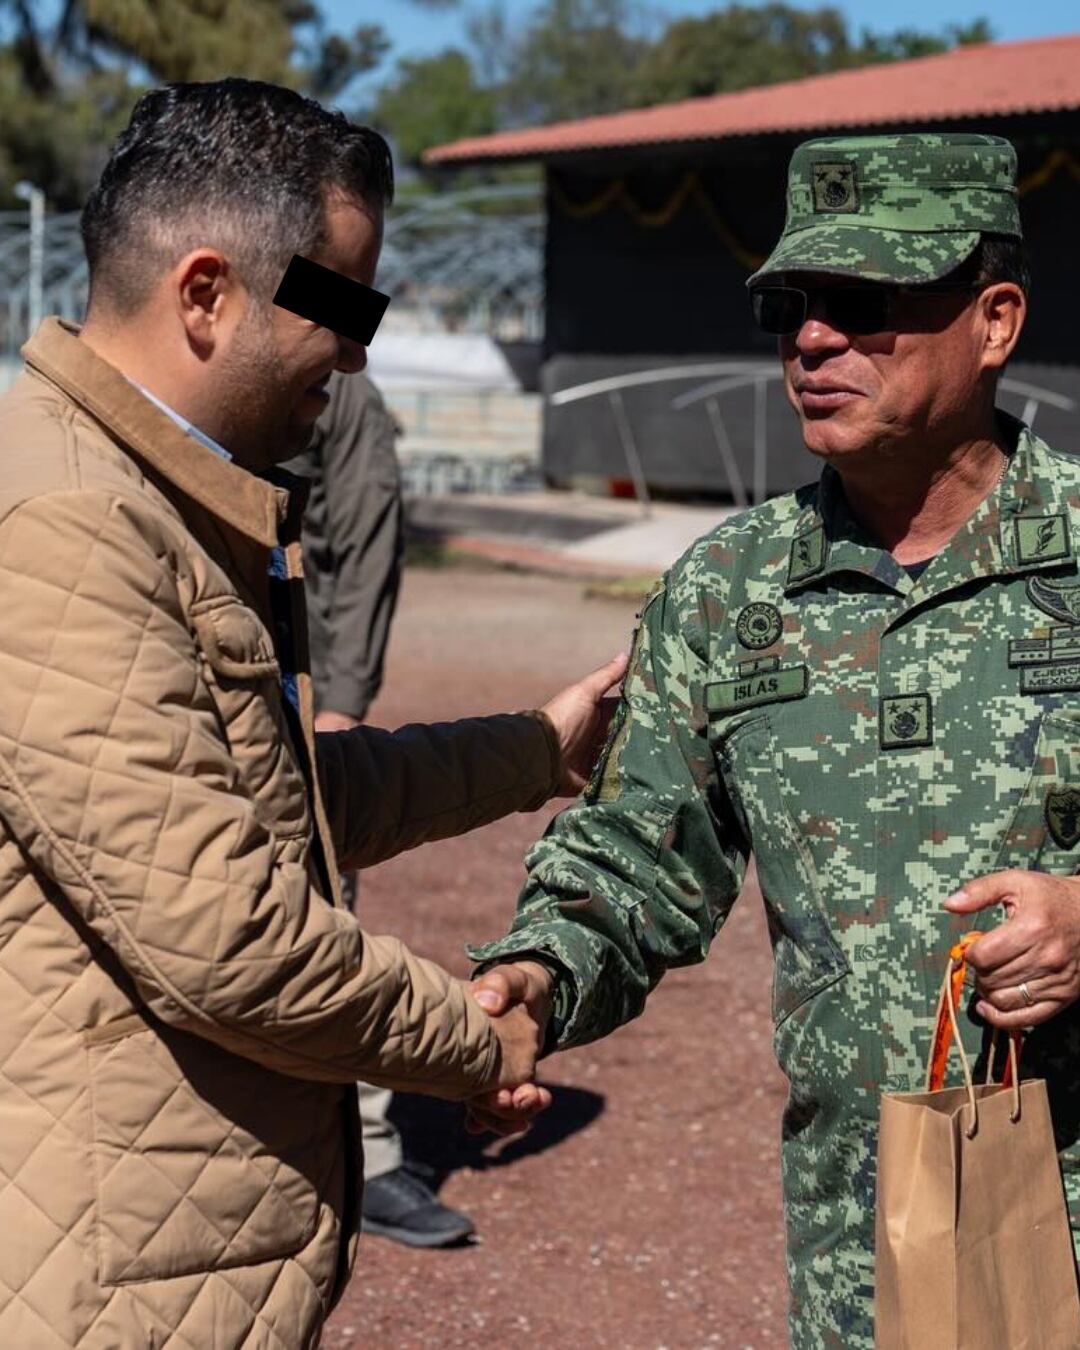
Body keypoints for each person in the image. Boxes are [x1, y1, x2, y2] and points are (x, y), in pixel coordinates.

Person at [0, 79, 623, 1349]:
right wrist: (475, 1040)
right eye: (339, 306)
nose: (357, 352)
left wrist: (531, 755)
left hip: (175, 1241)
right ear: (207, 293)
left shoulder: (159, 498)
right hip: (108, 1274)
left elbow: (273, 799)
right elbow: (228, 935)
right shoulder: (70, 523)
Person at [468, 133, 1080, 1346]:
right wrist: (528, 989)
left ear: (995, 319)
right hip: (874, 1248)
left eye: (861, 306)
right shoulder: (729, 594)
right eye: (794, 307)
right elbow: (637, 860)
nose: (811, 340)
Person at [286, 374, 474, 1246]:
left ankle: (369, 1156)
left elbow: (363, 534)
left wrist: (344, 701)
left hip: (300, 693)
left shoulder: (335, 376)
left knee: (325, 912)